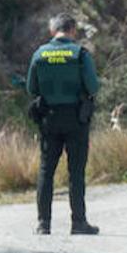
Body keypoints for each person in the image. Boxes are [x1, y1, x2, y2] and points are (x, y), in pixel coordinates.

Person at [26, 13, 101, 236]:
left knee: (46, 171)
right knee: (76, 172)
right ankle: (78, 223)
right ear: (73, 30)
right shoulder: (80, 54)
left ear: (52, 31)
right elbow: (93, 87)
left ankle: (43, 224)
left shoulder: (39, 54)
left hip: (49, 117)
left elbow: (31, 88)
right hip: (76, 119)